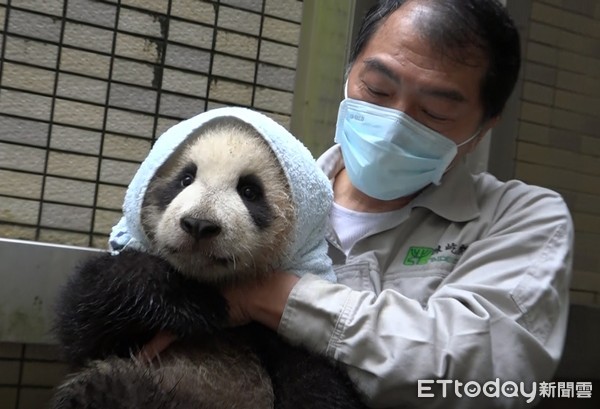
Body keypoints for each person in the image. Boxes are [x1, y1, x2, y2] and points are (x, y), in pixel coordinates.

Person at [144, 0, 574, 407]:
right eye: (377, 88)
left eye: (436, 112)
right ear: (349, 75)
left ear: (483, 127)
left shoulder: (522, 218)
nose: (394, 126)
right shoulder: (281, 196)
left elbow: (486, 376)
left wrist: (269, 296)